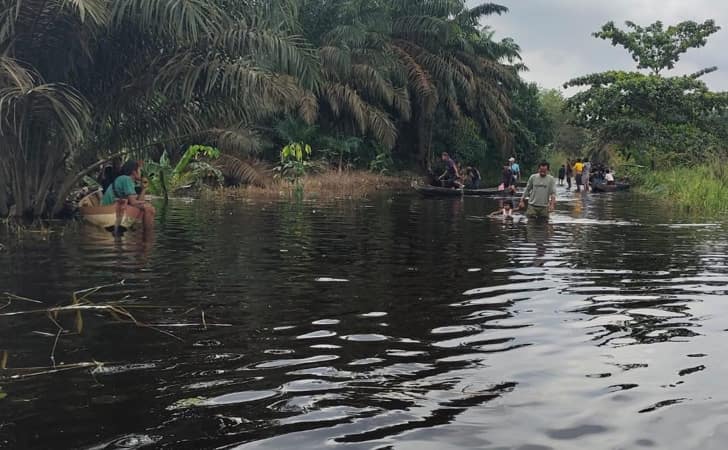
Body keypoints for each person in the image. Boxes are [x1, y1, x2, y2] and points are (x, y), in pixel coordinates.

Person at [102, 160, 155, 235]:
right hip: (108, 208)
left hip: (113, 208)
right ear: (134, 172)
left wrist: (144, 189)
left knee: (146, 208)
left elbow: (137, 202)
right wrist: (146, 203)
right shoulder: (126, 179)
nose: (141, 172)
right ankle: (148, 234)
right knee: (149, 208)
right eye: (139, 170)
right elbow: (134, 203)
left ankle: (144, 232)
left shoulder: (128, 181)